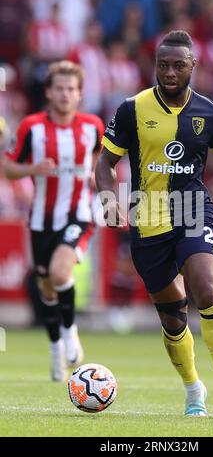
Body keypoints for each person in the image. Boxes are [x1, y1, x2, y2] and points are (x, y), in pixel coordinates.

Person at [96, 30, 213, 419]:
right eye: (162, 65)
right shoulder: (131, 110)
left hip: (192, 210)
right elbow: (105, 164)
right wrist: (108, 197)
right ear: (155, 65)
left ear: (193, 66)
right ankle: (193, 390)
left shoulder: (211, 113)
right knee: (173, 316)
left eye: (178, 65)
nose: (169, 72)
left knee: (207, 289)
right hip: (146, 218)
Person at [3, 60, 105, 381]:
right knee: (46, 287)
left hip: (79, 214)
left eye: (71, 89)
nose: (65, 95)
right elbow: (9, 168)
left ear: (79, 94)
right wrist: (34, 169)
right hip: (41, 220)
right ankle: (55, 350)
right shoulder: (32, 127)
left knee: (61, 272)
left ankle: (71, 332)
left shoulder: (93, 126)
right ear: (48, 92)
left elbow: (102, 158)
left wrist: (95, 177)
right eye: (59, 88)